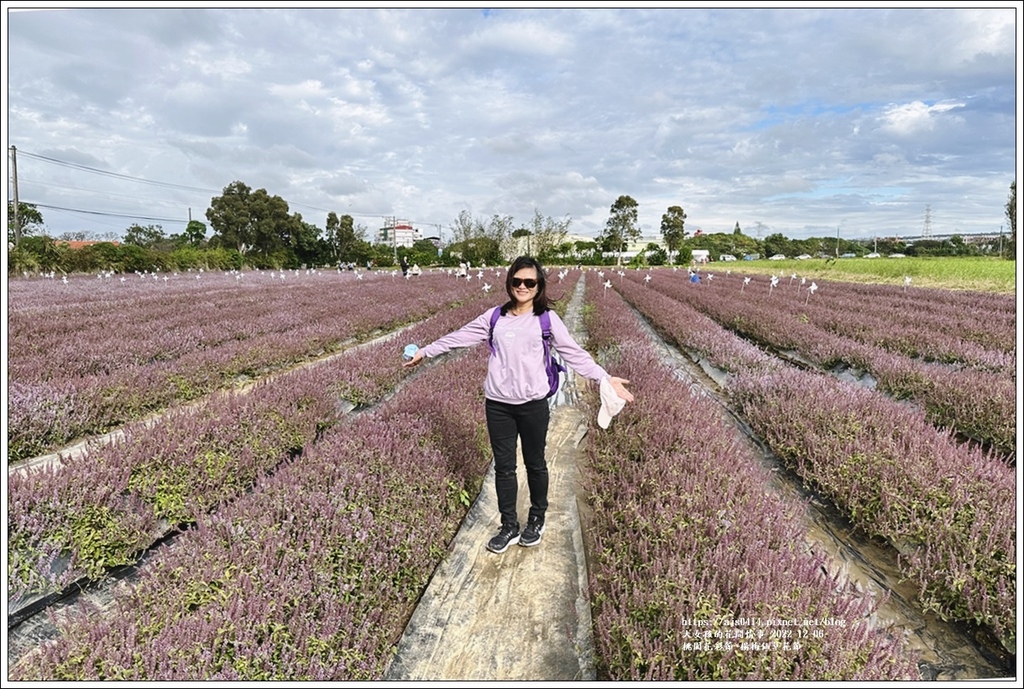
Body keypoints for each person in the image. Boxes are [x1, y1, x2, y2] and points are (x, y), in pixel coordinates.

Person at [403, 256, 634, 553]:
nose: (522, 287)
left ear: (538, 286)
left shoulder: (547, 320)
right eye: (517, 281)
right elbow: (460, 336)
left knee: (535, 463)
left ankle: (537, 518)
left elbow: (574, 353)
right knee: (504, 467)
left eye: (530, 282)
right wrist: (426, 351)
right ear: (510, 282)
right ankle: (509, 525)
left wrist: (604, 377)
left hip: (532, 405)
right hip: (498, 404)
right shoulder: (494, 317)